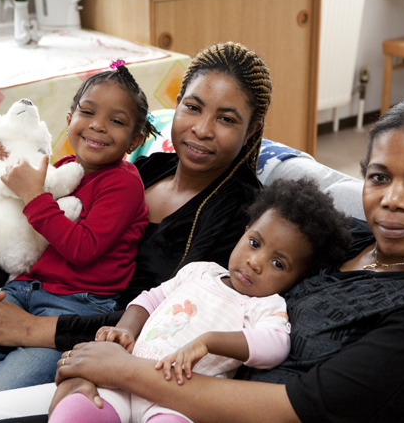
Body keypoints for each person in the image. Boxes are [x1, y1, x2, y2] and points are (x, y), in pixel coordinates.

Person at [46, 97, 404, 423]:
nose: (393, 200)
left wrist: (126, 370)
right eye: (379, 177)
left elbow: (293, 408)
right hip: (157, 388)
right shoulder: (348, 241)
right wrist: (98, 359)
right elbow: (194, 295)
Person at [0, 42, 272, 421]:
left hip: (89, 356)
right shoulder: (147, 168)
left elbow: (173, 320)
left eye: (226, 119)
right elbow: (42, 232)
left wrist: (33, 330)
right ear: (177, 104)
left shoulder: (244, 214)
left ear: (252, 128)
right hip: (27, 303)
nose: (202, 129)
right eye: (193, 107)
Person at [0, 60, 157, 422]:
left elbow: (82, 249)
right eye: (87, 112)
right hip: (22, 289)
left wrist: (34, 196)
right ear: (69, 118)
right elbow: (13, 232)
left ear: (134, 139)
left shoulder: (124, 183)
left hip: (77, 307)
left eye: (116, 121)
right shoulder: (62, 167)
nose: (98, 125)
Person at [49, 178, 352, 423]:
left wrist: (209, 341)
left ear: (297, 278)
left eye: (278, 264)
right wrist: (127, 329)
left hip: (175, 405)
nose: (256, 262)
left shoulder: (268, 305)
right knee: (78, 410)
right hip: (122, 379)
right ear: (244, 233)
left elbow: (275, 345)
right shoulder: (200, 272)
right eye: (255, 243)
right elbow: (151, 299)